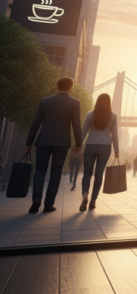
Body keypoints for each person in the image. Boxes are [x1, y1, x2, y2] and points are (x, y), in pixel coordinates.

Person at [25, 77, 83, 214]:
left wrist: (29, 143)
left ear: (57, 87)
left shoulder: (45, 101)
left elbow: (36, 123)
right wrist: (79, 143)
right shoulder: (75, 103)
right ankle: (48, 204)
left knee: (39, 170)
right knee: (56, 172)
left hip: (43, 140)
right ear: (71, 87)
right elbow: (76, 124)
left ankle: (36, 200)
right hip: (62, 142)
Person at [79, 93, 120, 211]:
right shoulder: (113, 116)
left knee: (87, 173)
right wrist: (117, 151)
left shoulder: (90, 114)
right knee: (99, 174)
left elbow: (84, 131)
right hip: (105, 147)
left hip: (90, 145)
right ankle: (93, 201)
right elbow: (115, 135)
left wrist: (78, 145)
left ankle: (85, 196)